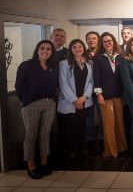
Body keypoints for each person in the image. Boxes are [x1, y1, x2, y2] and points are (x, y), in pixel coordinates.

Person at [15, 40, 58, 179]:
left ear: (52, 52)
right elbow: (19, 87)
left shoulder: (53, 67)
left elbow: (56, 85)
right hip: (31, 104)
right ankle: (31, 164)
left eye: (48, 49)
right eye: (42, 48)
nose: (45, 51)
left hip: (49, 104)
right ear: (37, 50)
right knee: (31, 135)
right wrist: (27, 101)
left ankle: (44, 162)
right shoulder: (27, 65)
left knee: (45, 134)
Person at [58, 39, 94, 161]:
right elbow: (63, 84)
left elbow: (91, 82)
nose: (78, 49)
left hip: (84, 100)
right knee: (71, 127)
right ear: (70, 49)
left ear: (84, 48)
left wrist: (84, 97)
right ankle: (72, 150)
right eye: (74, 47)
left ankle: (81, 148)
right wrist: (75, 100)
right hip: (70, 101)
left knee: (82, 125)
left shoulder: (89, 63)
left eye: (80, 47)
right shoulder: (64, 64)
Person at [93, 32, 127, 158]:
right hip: (105, 96)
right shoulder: (98, 58)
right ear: (102, 44)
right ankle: (111, 151)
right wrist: (99, 94)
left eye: (110, 40)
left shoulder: (120, 57)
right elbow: (96, 77)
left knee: (119, 123)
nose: (108, 43)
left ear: (114, 42)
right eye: (105, 41)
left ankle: (121, 146)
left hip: (118, 95)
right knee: (109, 124)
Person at [84, 31, 103, 155]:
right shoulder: (82, 53)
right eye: (89, 39)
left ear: (98, 39)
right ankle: (90, 139)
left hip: (100, 89)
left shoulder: (102, 53)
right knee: (88, 116)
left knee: (102, 114)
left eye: (94, 38)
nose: (92, 40)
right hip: (86, 90)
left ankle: (102, 138)